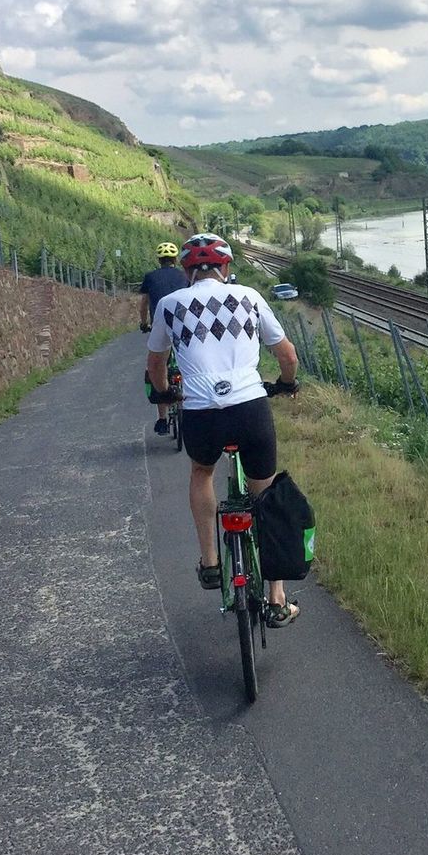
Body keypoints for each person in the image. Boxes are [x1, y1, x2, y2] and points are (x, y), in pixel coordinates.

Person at [146, 233, 302, 626]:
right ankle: (277, 598)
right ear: (226, 267)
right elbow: (287, 355)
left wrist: (164, 392)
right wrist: (286, 384)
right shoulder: (249, 297)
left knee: (202, 472)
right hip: (250, 408)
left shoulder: (169, 304)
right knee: (265, 494)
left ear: (187, 271)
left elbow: (156, 364)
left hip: (201, 413)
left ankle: (211, 563)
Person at [140, 243, 190, 434]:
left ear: (159, 260)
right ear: (175, 260)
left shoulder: (150, 277)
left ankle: (162, 420)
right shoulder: (184, 276)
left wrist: (144, 323)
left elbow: (144, 304)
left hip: (160, 328)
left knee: (157, 368)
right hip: (184, 329)